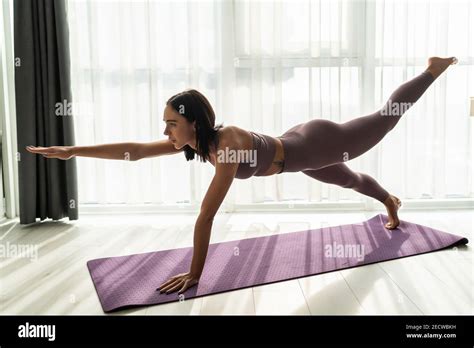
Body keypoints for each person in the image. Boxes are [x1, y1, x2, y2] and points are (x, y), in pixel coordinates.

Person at [26, 56, 458, 295]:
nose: (165, 132)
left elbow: (207, 213)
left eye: (171, 123)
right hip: (299, 155)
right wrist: (71, 150)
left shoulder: (227, 142)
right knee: (351, 181)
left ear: (194, 122)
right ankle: (390, 202)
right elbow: (135, 152)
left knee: (384, 120)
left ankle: (432, 69)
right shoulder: (195, 142)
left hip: (316, 143)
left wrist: (195, 273)